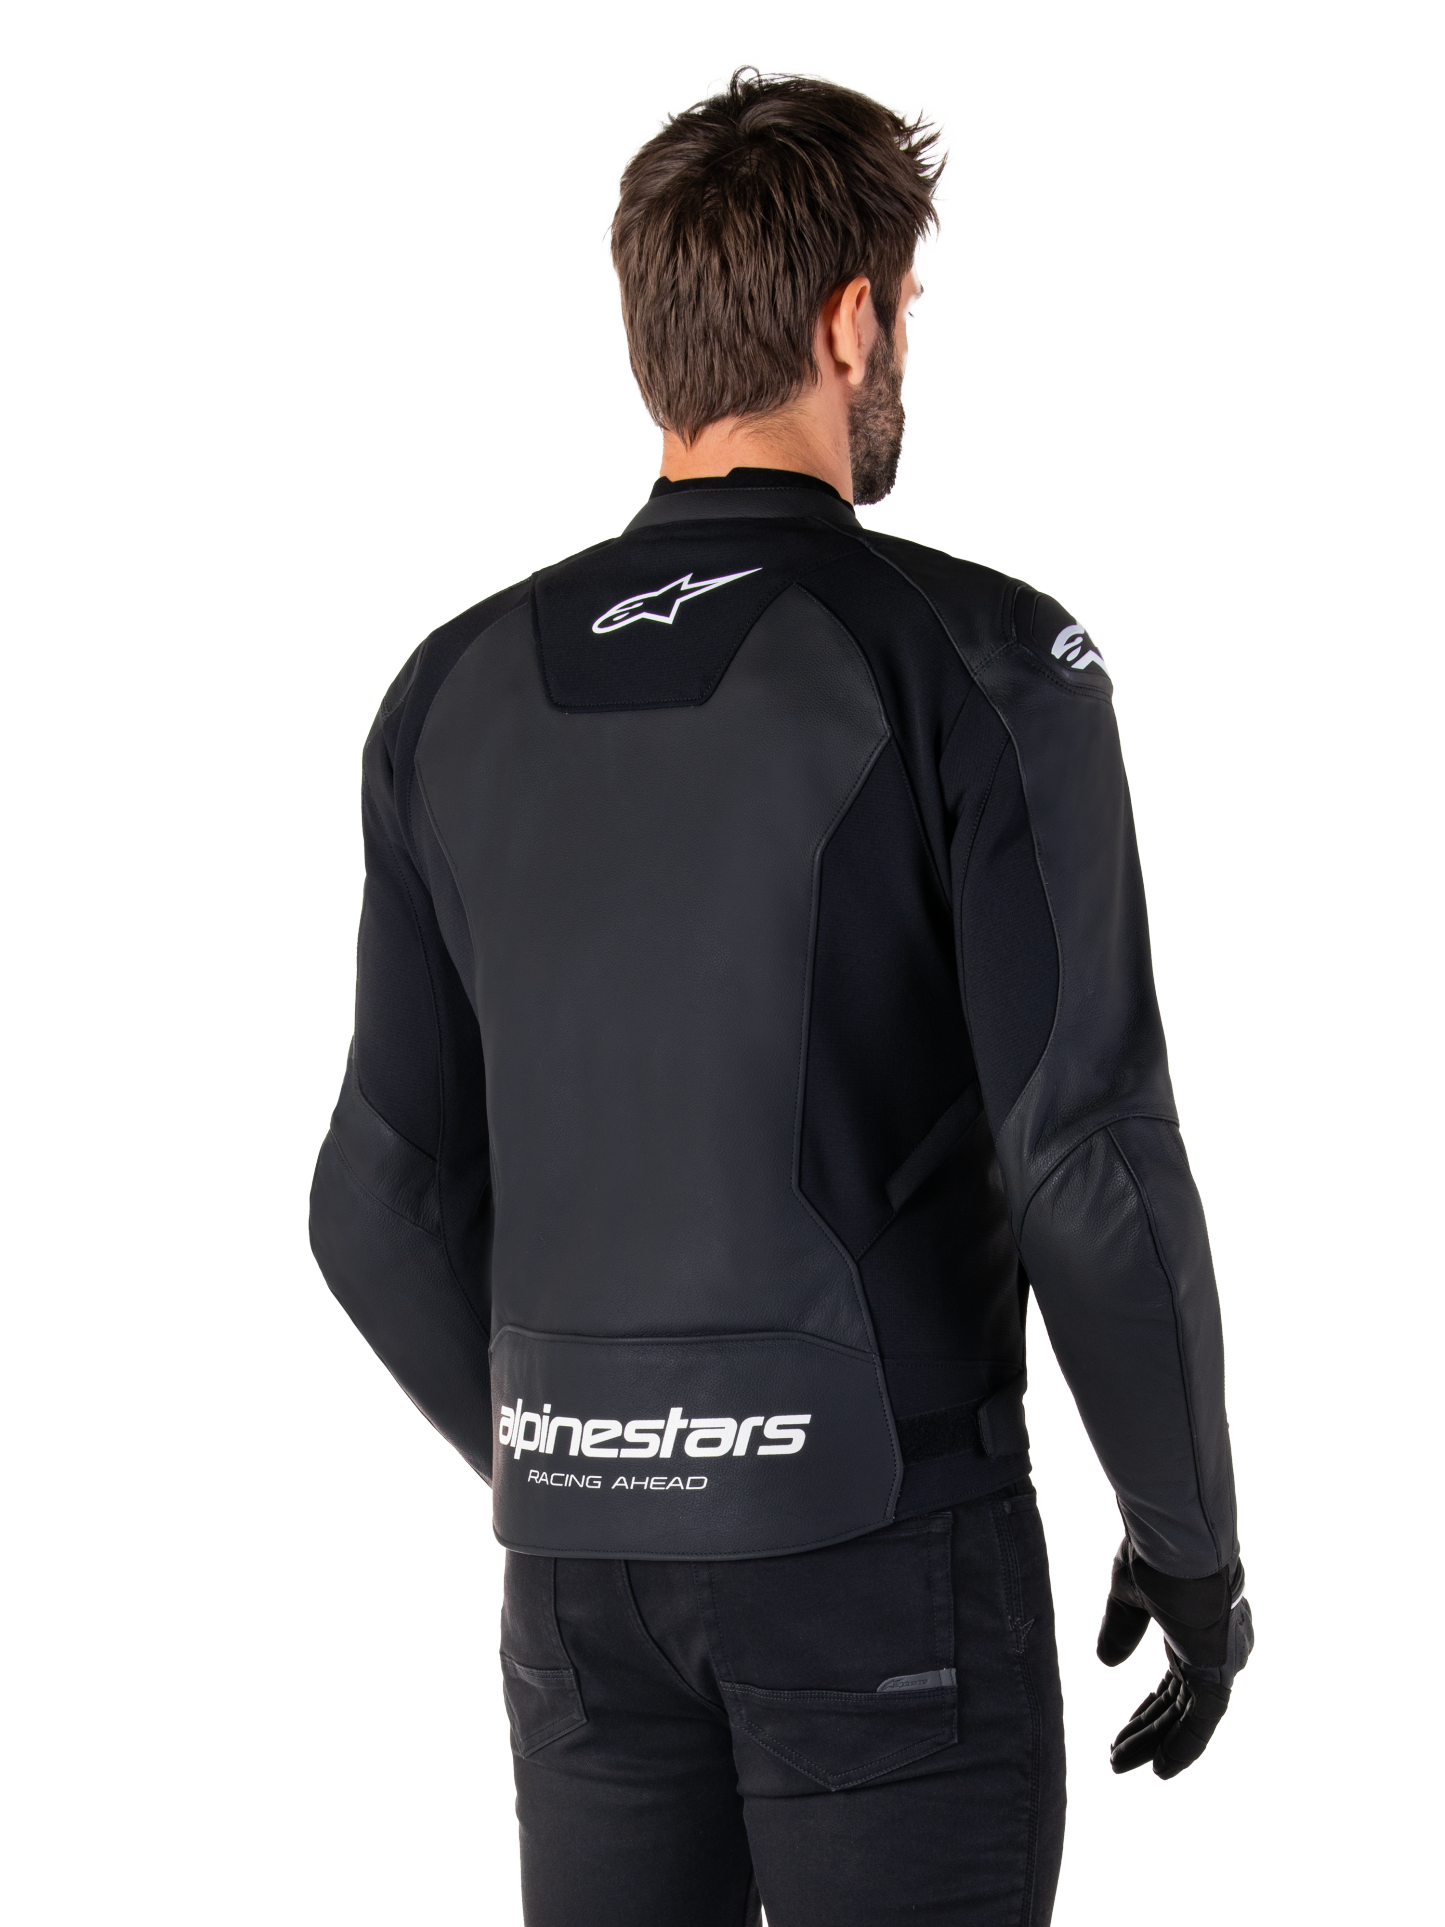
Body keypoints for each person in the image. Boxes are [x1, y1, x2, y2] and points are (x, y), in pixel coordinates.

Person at [309, 66, 1252, 1927]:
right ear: (849, 322)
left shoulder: (448, 690)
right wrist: (1192, 1549)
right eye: (909, 309)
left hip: (579, 1591)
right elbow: (1086, 1159)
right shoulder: (982, 660)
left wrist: (591, 1453)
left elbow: (375, 1196)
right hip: (882, 1557)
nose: (906, 350)